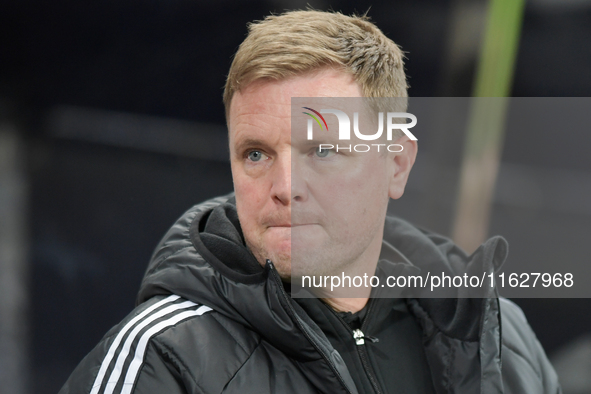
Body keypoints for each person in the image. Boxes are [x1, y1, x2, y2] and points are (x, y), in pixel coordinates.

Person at [59, 10, 561, 394]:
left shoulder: (497, 336)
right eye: (256, 153)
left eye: (322, 150)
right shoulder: (163, 360)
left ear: (397, 164)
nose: (284, 185)